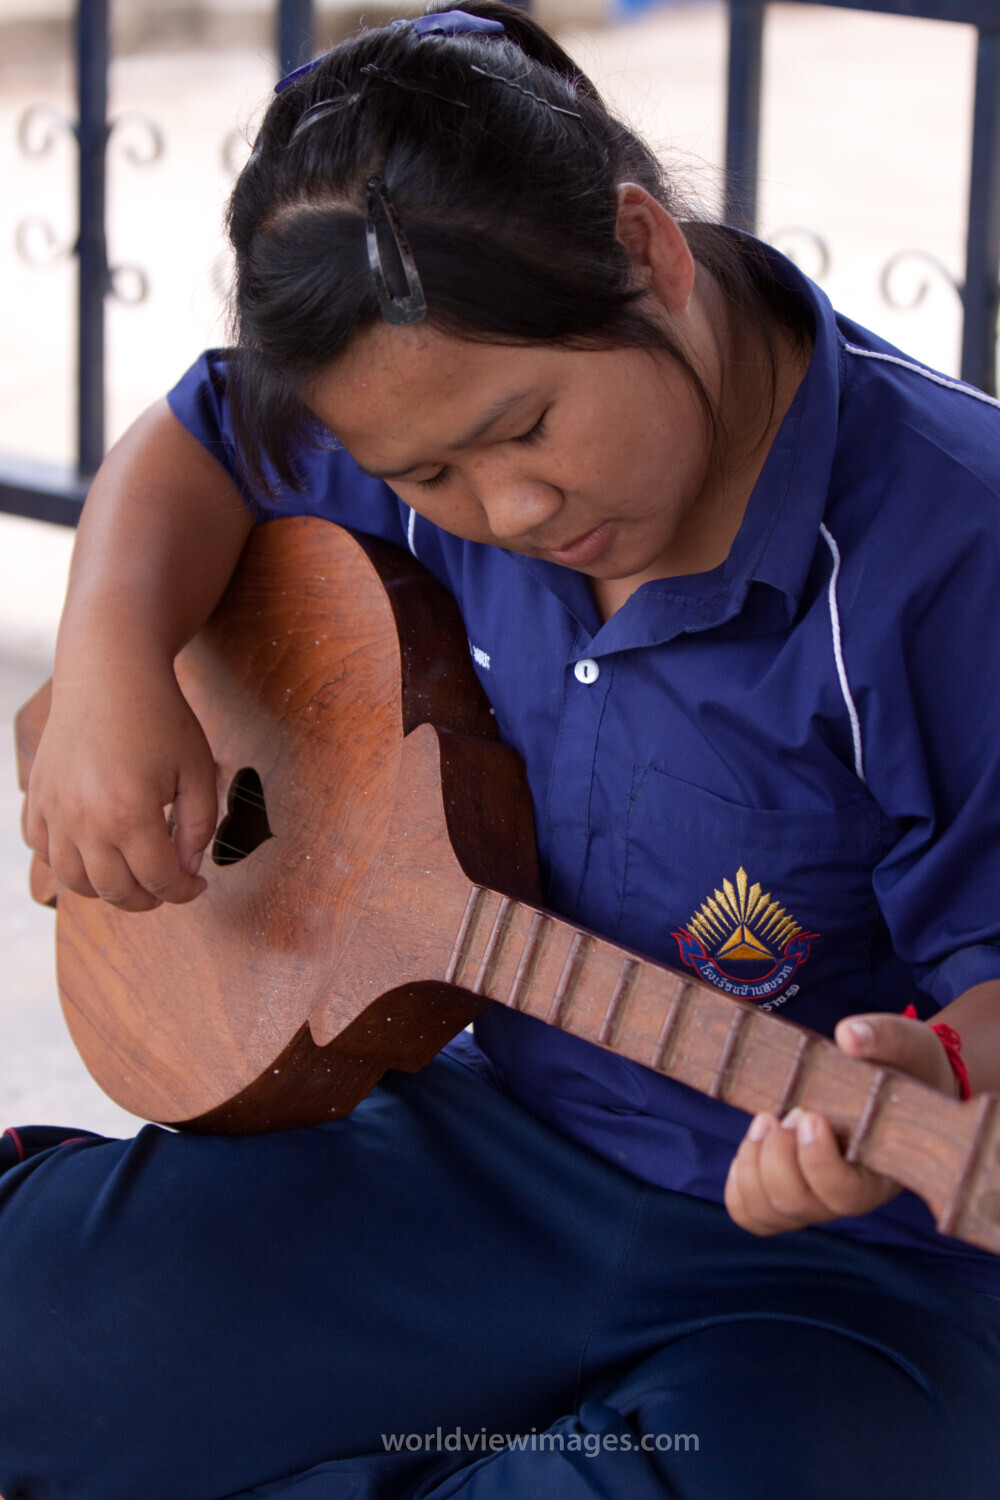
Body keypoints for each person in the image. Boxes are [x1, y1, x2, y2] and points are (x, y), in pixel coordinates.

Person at [4, 4, 1000, 1496]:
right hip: (500, 1145)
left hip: (853, 1270)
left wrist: (920, 1078)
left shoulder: (949, 551)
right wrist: (106, 663)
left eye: (525, 425)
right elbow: (202, 438)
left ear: (649, 250)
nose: (509, 508)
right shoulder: (406, 390)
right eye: (427, 477)